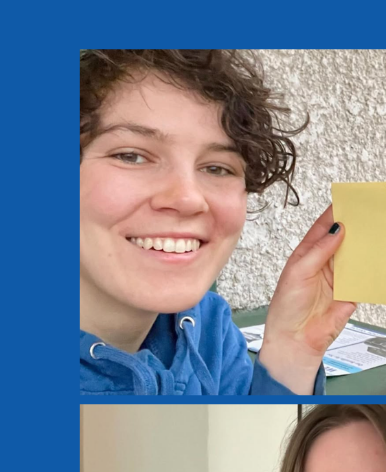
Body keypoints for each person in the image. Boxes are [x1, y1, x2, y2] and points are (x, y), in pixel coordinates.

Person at [80, 49, 354, 395]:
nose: (188, 198)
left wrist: (292, 347)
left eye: (216, 168)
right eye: (131, 156)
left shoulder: (210, 330)